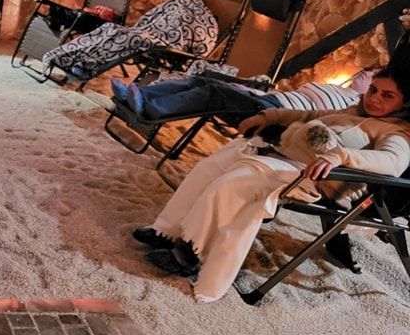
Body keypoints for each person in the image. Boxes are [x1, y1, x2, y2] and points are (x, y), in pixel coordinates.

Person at [131, 67, 410, 303]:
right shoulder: (354, 111)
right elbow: (308, 116)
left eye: (387, 96)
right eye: (373, 90)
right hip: (284, 155)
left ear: (404, 103)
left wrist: (341, 155)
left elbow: (392, 162)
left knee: (232, 184)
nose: (374, 99)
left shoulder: (396, 132)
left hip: (311, 177)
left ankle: (191, 254)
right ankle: (166, 231)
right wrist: (268, 117)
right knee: (210, 168)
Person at [110, 73, 366, 120]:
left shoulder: (354, 105)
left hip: (276, 113)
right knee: (202, 79)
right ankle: (140, 93)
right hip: (273, 98)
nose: (366, 73)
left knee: (214, 93)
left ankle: (152, 109)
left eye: (372, 75)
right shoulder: (334, 86)